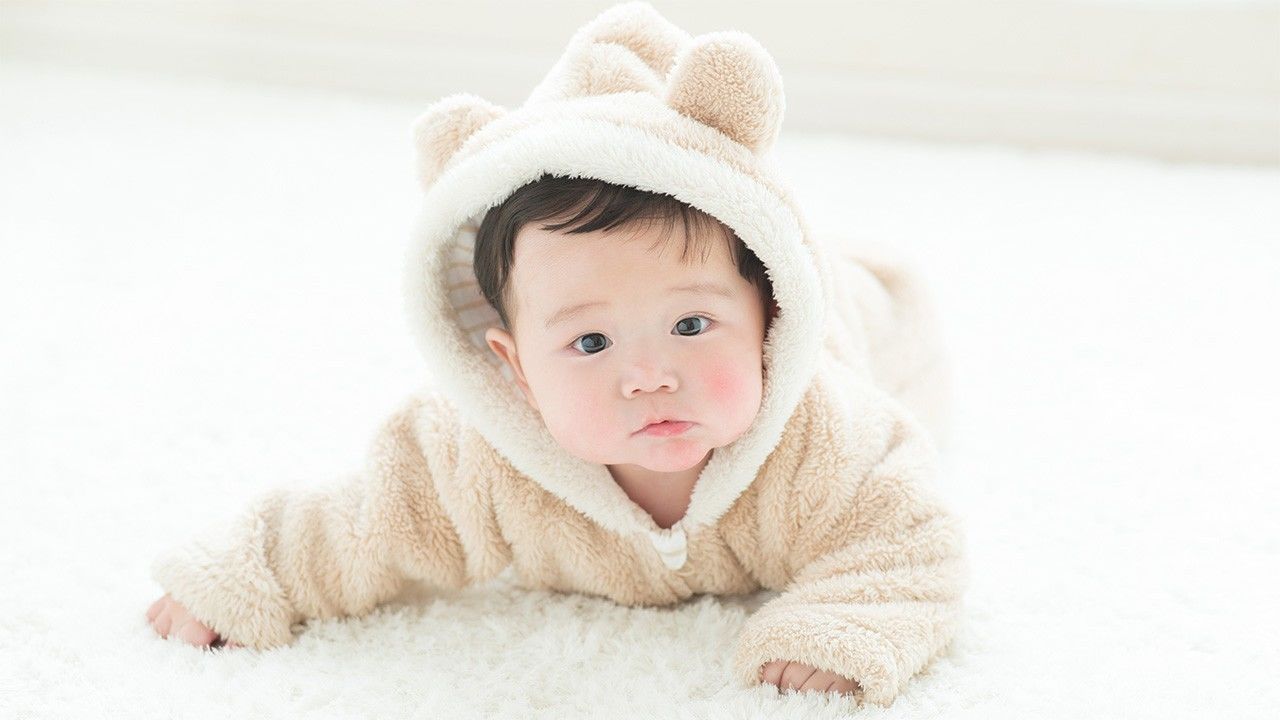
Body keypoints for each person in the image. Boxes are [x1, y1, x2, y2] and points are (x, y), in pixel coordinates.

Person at [145, 1, 967, 706]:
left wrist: (844, 624)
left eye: (691, 326)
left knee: (878, 310)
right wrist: (247, 576)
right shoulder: (473, 457)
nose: (650, 376)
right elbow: (358, 525)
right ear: (515, 369)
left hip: (855, 318)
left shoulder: (826, 438)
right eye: (591, 342)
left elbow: (907, 540)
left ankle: (833, 274)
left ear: (770, 319)